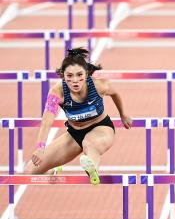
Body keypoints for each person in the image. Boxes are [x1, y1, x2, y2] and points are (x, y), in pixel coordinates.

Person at [25, 48, 132, 184]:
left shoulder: (99, 85)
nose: (75, 81)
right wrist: (40, 148)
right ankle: (53, 170)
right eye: (69, 76)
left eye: (79, 75)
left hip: (101, 128)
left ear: (86, 73)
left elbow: (115, 93)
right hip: (74, 134)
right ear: (63, 75)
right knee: (29, 172)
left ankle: (92, 170)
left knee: (89, 143)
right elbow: (46, 122)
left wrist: (123, 114)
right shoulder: (57, 93)